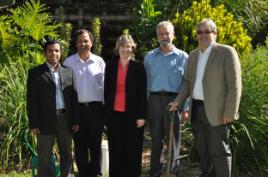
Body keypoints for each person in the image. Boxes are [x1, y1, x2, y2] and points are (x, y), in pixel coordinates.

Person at [169, 18, 242, 177]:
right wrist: (178, 101)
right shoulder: (193, 55)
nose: (202, 35)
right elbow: (188, 82)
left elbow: (235, 85)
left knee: (219, 152)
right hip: (197, 111)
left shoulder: (226, 52)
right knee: (203, 151)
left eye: (206, 31)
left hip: (218, 112)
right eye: (199, 32)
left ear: (215, 34)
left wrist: (230, 111)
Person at [27, 40, 79, 177]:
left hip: (65, 119)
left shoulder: (69, 72)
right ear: (45, 53)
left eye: (56, 50)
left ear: (60, 53)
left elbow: (74, 99)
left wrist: (75, 120)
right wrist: (34, 123)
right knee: (44, 156)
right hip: (45, 120)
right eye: (50, 50)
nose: (54, 53)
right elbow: (32, 101)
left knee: (67, 153)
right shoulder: (35, 73)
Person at [144, 21, 188, 177]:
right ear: (156, 36)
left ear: (173, 35)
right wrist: (145, 107)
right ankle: (155, 170)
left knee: (173, 140)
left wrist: (185, 108)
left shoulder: (183, 57)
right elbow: (146, 84)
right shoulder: (149, 57)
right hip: (154, 101)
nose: (164, 36)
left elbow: (186, 84)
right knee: (155, 139)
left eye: (167, 33)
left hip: (174, 102)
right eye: (161, 33)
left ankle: (172, 171)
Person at [63, 29, 105, 177]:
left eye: (86, 41)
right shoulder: (68, 63)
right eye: (80, 41)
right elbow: (65, 89)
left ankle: (96, 173)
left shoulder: (99, 61)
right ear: (76, 44)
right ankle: (84, 173)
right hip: (77, 109)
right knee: (79, 144)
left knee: (95, 143)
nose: (83, 44)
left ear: (92, 43)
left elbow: (105, 86)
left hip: (96, 108)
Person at [104, 34, 147, 177]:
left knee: (132, 149)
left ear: (132, 48)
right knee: (116, 148)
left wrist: (142, 115)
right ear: (118, 48)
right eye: (122, 46)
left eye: (128, 46)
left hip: (133, 115)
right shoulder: (110, 66)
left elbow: (142, 92)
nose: (125, 49)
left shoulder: (139, 67)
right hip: (114, 114)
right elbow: (107, 90)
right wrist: (106, 113)